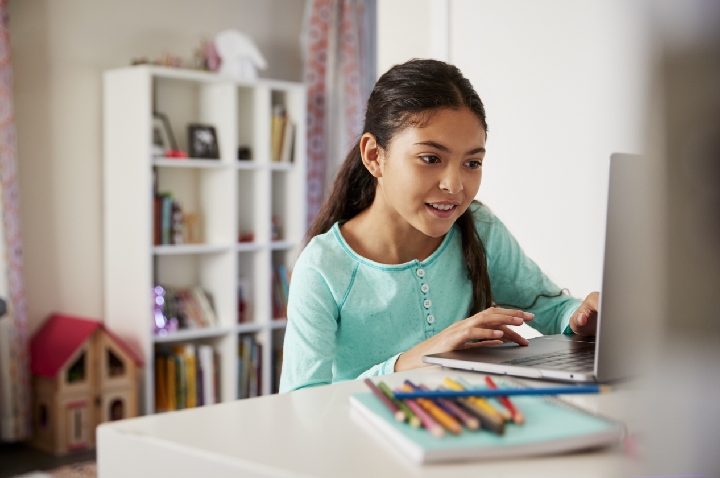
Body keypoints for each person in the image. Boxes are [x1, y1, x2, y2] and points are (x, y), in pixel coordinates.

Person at [279, 59, 598, 393]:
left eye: (472, 163)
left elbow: (551, 308)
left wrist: (579, 316)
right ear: (374, 155)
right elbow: (302, 404)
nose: (455, 185)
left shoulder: (480, 230)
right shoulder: (323, 268)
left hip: (467, 429)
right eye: (431, 158)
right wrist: (413, 360)